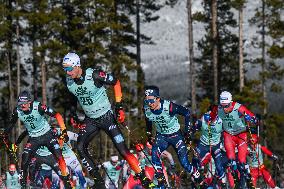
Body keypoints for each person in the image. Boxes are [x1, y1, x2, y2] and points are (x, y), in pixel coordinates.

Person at [61, 52, 154, 189]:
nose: (67, 73)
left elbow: (116, 82)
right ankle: (99, 183)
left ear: (77, 66)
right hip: (91, 120)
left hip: (106, 117)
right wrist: (73, 114)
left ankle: (143, 178)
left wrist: (118, 107)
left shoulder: (94, 75)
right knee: (80, 147)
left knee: (122, 150)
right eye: (65, 69)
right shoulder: (69, 81)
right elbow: (73, 96)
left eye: (69, 69)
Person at [4, 91, 71, 188]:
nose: (22, 106)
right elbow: (11, 124)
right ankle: (23, 183)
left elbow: (58, 115)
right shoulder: (17, 111)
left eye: (24, 104)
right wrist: (5, 134)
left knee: (59, 155)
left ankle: (66, 180)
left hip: (47, 135)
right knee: (25, 159)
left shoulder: (38, 107)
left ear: (30, 102)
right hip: (34, 138)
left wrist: (64, 131)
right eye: (20, 104)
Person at [143, 85, 200, 187]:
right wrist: (149, 133)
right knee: (154, 155)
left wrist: (187, 132)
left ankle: (198, 176)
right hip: (162, 137)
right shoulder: (146, 108)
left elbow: (186, 112)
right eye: (146, 100)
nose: (149, 103)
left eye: (151, 100)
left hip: (176, 136)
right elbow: (148, 120)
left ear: (158, 99)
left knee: (184, 162)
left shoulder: (168, 106)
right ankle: (161, 181)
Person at [217, 91, 258, 186]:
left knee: (241, 160)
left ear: (230, 102)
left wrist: (250, 119)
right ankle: (235, 177)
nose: (224, 109)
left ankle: (247, 175)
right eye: (222, 106)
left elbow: (255, 120)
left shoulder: (239, 108)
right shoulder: (219, 109)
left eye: (226, 106)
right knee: (231, 160)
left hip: (241, 135)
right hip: (229, 135)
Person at [192, 105, 226, 188]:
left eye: (212, 119)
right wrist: (191, 131)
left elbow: (227, 133)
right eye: (209, 119)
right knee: (196, 159)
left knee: (218, 165)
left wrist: (223, 144)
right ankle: (198, 180)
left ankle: (223, 183)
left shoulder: (221, 121)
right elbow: (195, 127)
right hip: (203, 144)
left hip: (215, 145)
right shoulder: (204, 118)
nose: (210, 121)